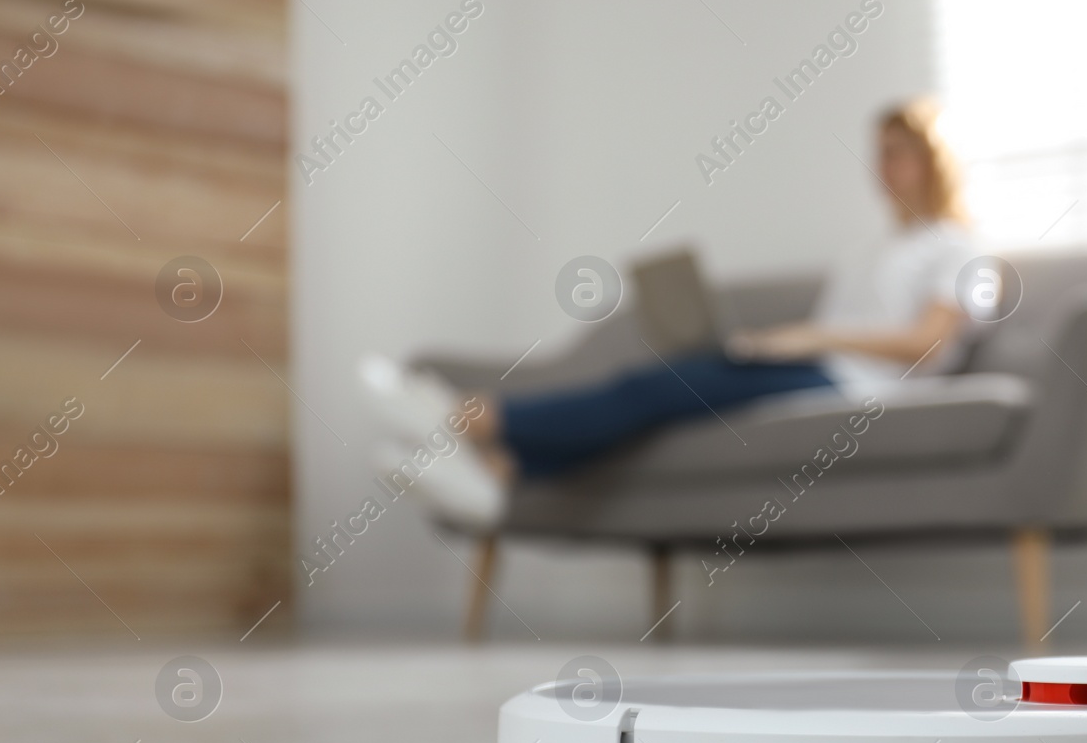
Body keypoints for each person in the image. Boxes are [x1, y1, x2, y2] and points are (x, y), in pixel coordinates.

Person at [360, 97, 977, 525]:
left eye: (900, 151)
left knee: (652, 388)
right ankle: (503, 473)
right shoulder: (867, 250)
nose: (886, 168)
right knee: (660, 394)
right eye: (880, 152)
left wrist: (807, 337)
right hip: (818, 363)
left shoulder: (959, 248)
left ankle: (472, 418)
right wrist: (779, 342)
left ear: (934, 158)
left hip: (862, 384)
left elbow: (928, 342)